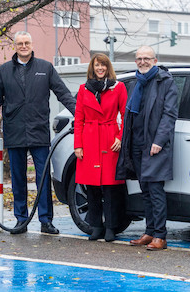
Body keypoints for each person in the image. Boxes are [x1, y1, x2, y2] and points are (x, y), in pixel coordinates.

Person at [0, 31, 76, 235]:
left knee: (42, 178)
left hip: (39, 131)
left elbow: (62, 93)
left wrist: (78, 113)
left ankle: (46, 221)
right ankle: (21, 220)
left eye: (26, 42)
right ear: (15, 46)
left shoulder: (45, 68)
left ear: (31, 44)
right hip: (15, 130)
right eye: (20, 43)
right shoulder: (4, 70)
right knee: (18, 179)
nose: (23, 46)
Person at [116, 46, 178, 250]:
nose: (142, 62)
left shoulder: (165, 82)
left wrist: (159, 141)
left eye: (147, 58)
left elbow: (169, 115)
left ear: (155, 60)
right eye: (139, 59)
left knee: (155, 189)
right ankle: (149, 231)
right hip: (136, 143)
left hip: (154, 144)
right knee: (145, 191)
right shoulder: (137, 82)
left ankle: (160, 235)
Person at [74, 53, 128, 242]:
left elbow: (125, 115)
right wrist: (78, 145)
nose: (100, 68)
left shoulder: (118, 88)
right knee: (92, 188)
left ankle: (111, 227)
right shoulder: (83, 89)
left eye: (103, 65)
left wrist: (120, 138)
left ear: (108, 67)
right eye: (97, 65)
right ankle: (96, 226)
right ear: (92, 67)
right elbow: (79, 119)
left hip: (109, 139)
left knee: (111, 188)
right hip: (89, 141)